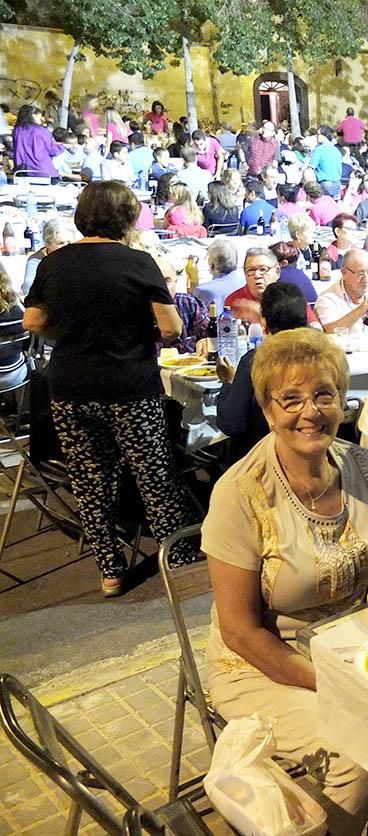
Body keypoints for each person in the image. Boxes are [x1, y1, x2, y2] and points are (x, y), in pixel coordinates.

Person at [204, 328, 368, 835]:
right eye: (291, 399)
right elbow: (240, 632)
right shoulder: (240, 493)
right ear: (267, 410)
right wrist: (334, 682)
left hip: (352, 646)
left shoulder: (362, 466)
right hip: (264, 662)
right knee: (360, 745)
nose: (310, 411)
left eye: (324, 395)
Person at [22, 181, 196, 598]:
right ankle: (180, 558)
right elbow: (172, 328)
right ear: (127, 216)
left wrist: (70, 334)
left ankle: (111, 571)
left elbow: (32, 321)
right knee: (154, 475)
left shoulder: (54, 263)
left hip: (70, 386)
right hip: (129, 385)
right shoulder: (138, 262)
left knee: (90, 480)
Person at [215, 283, 310, 458]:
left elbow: (230, 424)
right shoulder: (323, 356)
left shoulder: (256, 361)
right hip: (312, 449)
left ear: (264, 322)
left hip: (263, 458)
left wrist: (228, 382)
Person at [23, 218, 80, 297]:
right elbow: (28, 290)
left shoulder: (77, 257)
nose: (67, 246)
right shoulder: (36, 261)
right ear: (47, 244)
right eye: (61, 243)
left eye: (69, 242)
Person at [13, 105, 62, 178]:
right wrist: (62, 146)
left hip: (21, 170)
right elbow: (51, 150)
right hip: (41, 171)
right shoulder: (41, 130)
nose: (42, 118)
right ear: (33, 116)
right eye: (40, 116)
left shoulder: (17, 130)